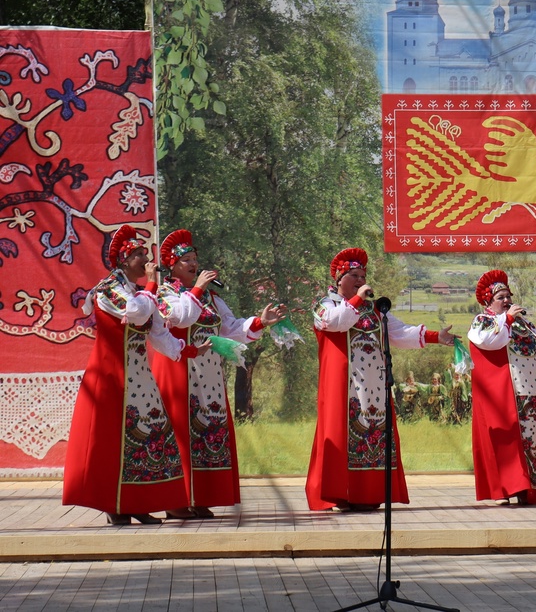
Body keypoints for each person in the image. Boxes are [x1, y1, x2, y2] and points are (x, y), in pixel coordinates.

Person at [62, 225, 205, 525]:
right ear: (124, 261)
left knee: (150, 435)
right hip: (111, 377)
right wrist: (152, 285)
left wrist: (188, 350)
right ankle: (115, 506)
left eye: (146, 254)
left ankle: (137, 502)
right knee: (116, 441)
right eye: (139, 254)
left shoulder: (142, 293)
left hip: (139, 377)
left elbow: (158, 333)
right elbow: (136, 312)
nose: (146, 259)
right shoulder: (107, 291)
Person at [306, 247, 455, 512]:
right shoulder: (325, 305)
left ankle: (368, 493)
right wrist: (357, 300)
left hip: (373, 387)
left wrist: (435, 336)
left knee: (372, 435)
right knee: (344, 434)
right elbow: (335, 323)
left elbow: (399, 332)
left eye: (363, 275)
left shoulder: (374, 310)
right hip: (344, 386)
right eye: (354, 275)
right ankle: (343, 494)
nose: (361, 280)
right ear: (340, 278)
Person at [152, 229, 286, 519]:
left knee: (205, 430)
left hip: (209, 373)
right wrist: (197, 290)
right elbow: (179, 317)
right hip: (178, 369)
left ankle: (199, 496)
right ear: (172, 266)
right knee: (182, 432)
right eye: (185, 259)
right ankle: (176, 499)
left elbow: (230, 329)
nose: (192, 264)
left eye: (194, 259)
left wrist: (261, 322)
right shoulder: (165, 293)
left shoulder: (211, 297)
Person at [468, 270, 536, 505]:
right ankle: (508, 489)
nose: (507, 300)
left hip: (528, 391)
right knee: (506, 440)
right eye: (501, 297)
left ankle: (529, 489)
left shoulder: (524, 325)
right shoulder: (483, 322)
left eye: (509, 296)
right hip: (502, 394)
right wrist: (507, 319)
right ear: (489, 300)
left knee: (531, 439)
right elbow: (489, 341)